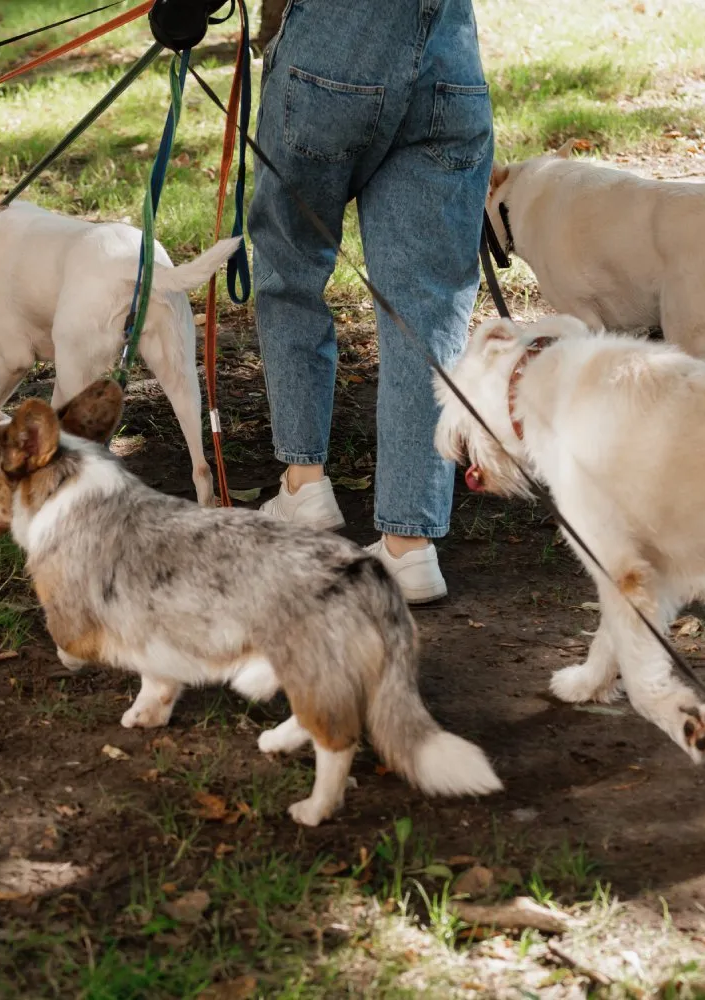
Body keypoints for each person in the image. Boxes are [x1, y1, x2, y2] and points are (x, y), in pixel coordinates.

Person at [248, 0, 493, 604]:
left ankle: (304, 485)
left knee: (290, 269)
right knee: (427, 308)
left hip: (333, 50)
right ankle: (410, 548)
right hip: (449, 59)